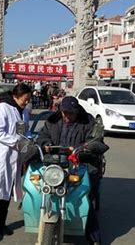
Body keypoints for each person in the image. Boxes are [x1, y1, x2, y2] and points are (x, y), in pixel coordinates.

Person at [36, 96, 107, 245]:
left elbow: (95, 140)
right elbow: (42, 136)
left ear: (77, 111)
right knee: (35, 182)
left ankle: (94, 237)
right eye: (65, 113)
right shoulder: (52, 120)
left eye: (71, 114)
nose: (67, 116)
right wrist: (46, 144)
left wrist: (81, 148)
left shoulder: (88, 121)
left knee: (86, 196)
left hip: (81, 162)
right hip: (55, 161)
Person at [0, 83, 32, 242]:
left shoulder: (23, 112)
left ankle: (1, 224)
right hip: (0, 157)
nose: (27, 102)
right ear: (16, 96)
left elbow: (25, 131)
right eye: (25, 99)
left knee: (7, 193)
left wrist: (28, 141)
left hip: (13, 158)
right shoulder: (2, 108)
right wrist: (18, 142)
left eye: (29, 99)